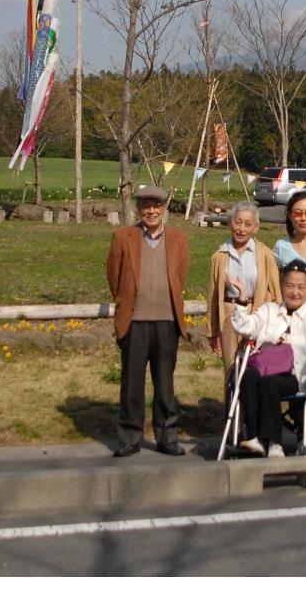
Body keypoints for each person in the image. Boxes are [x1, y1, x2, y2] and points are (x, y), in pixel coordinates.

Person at [106, 184, 190, 458]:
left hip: (167, 322)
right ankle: (130, 437)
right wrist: (126, 305)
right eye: (146, 206)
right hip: (135, 321)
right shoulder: (122, 237)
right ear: (139, 209)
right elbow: (114, 278)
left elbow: (180, 277)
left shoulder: (179, 239)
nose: (151, 211)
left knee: (165, 385)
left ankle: (167, 437)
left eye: (157, 205)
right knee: (132, 384)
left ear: (164, 208)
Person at [230, 258, 306, 458]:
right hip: (264, 369)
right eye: (289, 286)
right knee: (248, 375)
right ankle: (252, 437)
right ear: (282, 285)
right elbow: (245, 327)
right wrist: (243, 299)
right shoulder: (269, 310)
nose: (294, 292)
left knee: (269, 384)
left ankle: (274, 443)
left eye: (300, 287)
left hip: (295, 375)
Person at [208, 201, 282, 382]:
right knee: (231, 369)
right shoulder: (219, 256)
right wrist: (212, 332)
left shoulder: (265, 254)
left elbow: (275, 289)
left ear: (255, 228)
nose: (241, 229)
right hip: (230, 314)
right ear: (230, 223)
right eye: (238, 222)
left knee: (256, 368)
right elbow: (212, 296)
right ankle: (233, 410)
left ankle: (254, 409)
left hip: (256, 312)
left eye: (247, 224)